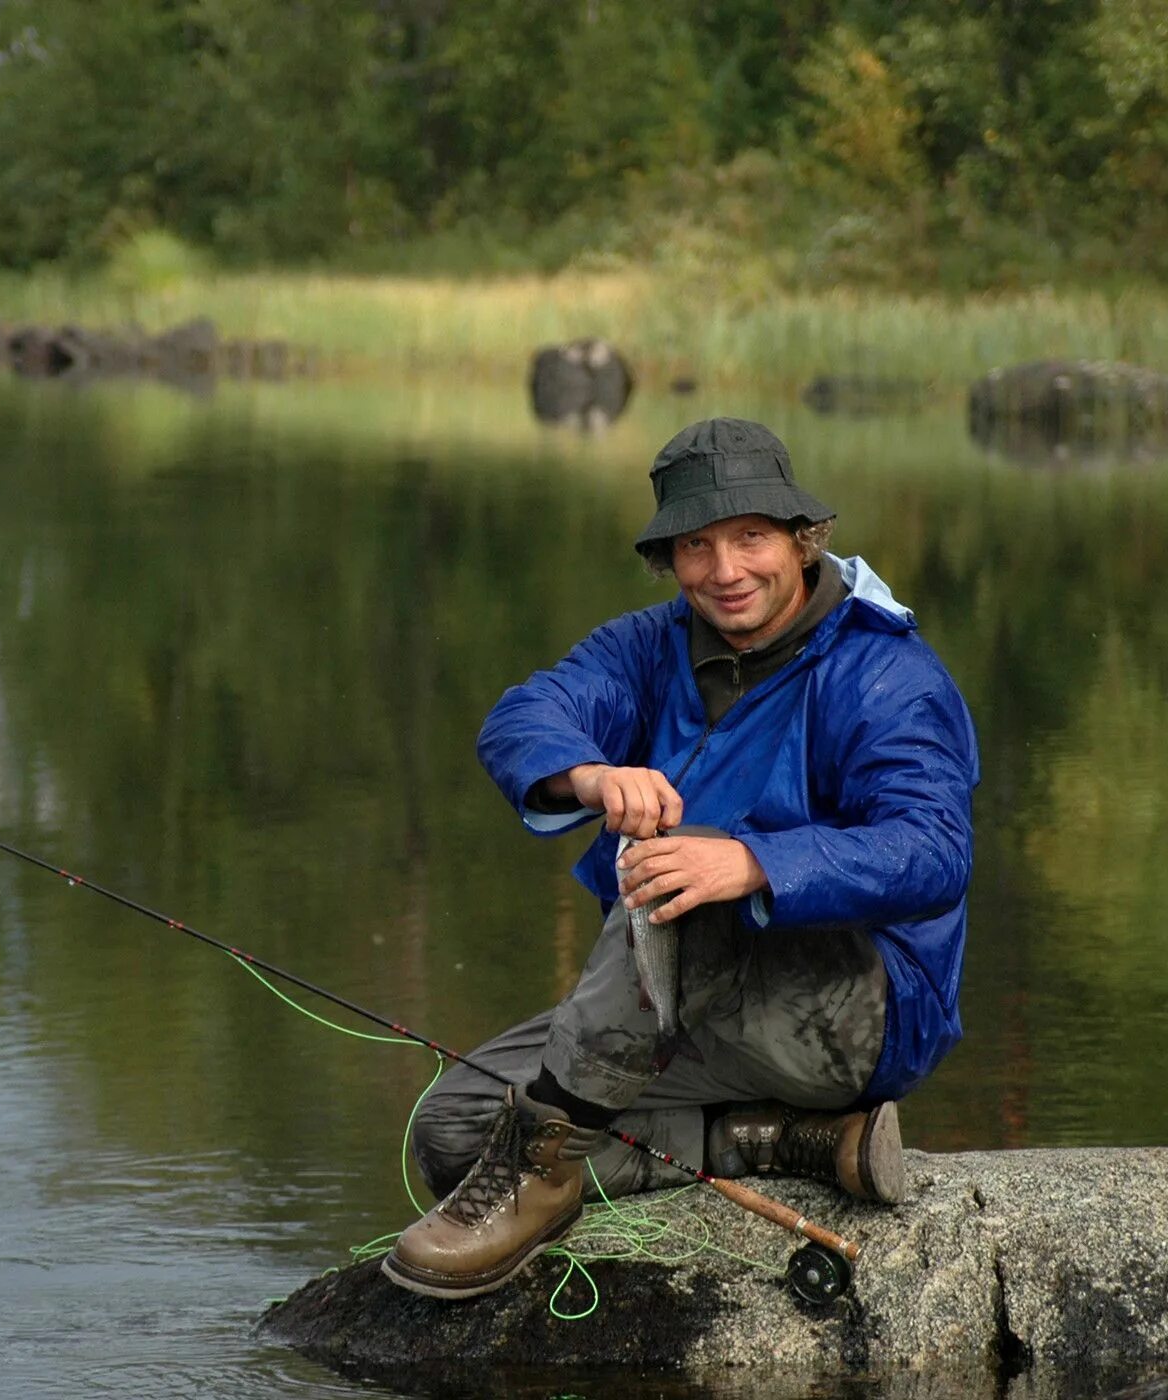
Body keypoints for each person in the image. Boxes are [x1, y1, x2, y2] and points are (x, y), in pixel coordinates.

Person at [383, 417, 979, 1300]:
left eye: (751, 539)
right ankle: (775, 1141)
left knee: (682, 872)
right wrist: (588, 775)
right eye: (697, 546)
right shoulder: (646, 646)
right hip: (675, 996)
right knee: (456, 1130)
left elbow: (933, 851)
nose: (726, 571)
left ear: (802, 541)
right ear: (671, 558)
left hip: (864, 1009)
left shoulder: (884, 672)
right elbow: (522, 716)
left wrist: (752, 864)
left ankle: (544, 1176)